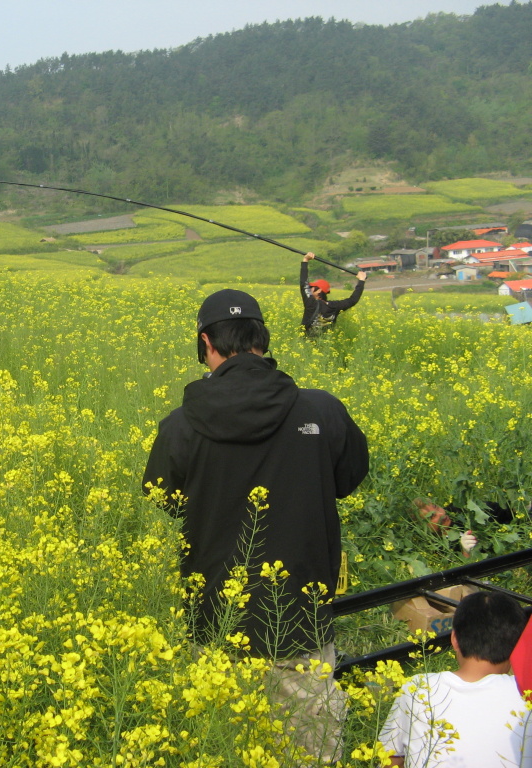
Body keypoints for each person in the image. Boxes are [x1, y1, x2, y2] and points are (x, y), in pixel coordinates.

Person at [142, 288, 369, 761]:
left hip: (215, 621)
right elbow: (347, 479)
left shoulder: (180, 425)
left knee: (224, 749)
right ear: (262, 339)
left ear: (206, 343)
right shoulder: (322, 410)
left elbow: (164, 499)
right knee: (310, 752)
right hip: (300, 620)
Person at [378, 591, 532, 767]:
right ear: (518, 645)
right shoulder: (526, 697)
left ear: (454, 639)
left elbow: (389, 760)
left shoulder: (418, 688)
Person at [300, 252, 367, 334]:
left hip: (307, 344)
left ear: (319, 291)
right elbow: (352, 300)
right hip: (326, 344)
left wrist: (305, 260)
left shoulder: (311, 303)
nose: (309, 290)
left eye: (311, 288)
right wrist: (361, 280)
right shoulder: (335, 306)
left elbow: (304, 284)